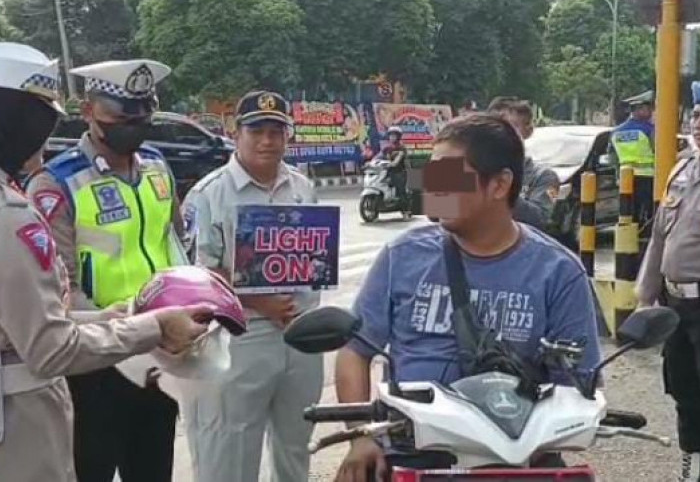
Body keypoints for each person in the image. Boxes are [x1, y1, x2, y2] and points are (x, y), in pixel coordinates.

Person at [334, 114, 601, 481]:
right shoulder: (403, 255)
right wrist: (361, 435)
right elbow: (355, 351)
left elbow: (578, 384)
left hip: (514, 463)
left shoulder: (558, 272)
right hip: (412, 457)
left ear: (499, 184)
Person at [0, 42, 209, 482]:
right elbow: (52, 299)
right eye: (122, 113)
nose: (134, 125)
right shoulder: (54, 186)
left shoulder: (156, 168)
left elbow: (171, 245)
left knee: (154, 468)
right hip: (91, 363)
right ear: (90, 110)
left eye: (142, 114)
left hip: (153, 355)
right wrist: (131, 328)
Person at [181, 90, 323, 482]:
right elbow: (200, 275)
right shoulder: (209, 194)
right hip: (241, 338)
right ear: (235, 132)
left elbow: (316, 259)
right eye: (256, 130)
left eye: (276, 131)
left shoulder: (302, 188)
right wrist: (263, 302)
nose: (266, 141)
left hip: (300, 336)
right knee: (231, 451)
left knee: (296, 448)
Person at [636, 85, 700, 482]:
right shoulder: (682, 169)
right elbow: (660, 236)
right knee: (683, 386)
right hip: (678, 303)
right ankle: (691, 459)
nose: (699, 124)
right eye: (697, 117)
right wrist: (645, 297)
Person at [487, 97, 560, 232]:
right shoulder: (472, 169)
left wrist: (503, 190)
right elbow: (439, 214)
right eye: (494, 127)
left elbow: (540, 220)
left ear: (528, 131)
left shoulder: (544, 177)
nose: (500, 134)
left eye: (510, 127)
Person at [609, 90, 655, 234]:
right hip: (648, 177)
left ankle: (627, 238)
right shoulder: (649, 130)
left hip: (624, 179)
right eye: (648, 108)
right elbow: (658, 151)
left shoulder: (616, 132)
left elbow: (612, 157)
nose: (651, 112)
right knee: (647, 213)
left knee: (627, 213)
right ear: (639, 110)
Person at [376, 125, 408, 209]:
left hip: (399, 172)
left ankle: (405, 209)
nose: (392, 137)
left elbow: (398, 159)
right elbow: (379, 156)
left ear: (398, 137)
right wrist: (370, 162)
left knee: (400, 190)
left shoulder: (401, 148)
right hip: (388, 171)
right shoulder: (387, 147)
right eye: (391, 135)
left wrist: (393, 163)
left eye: (394, 136)